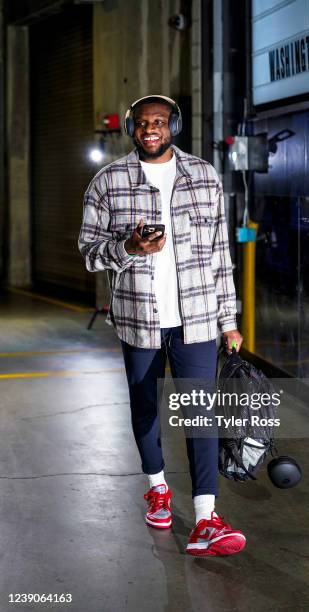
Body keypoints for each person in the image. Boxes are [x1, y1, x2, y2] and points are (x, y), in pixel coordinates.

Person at [78, 94, 245, 556]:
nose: (151, 129)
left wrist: (228, 320)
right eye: (142, 123)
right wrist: (128, 248)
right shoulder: (108, 182)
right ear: (131, 128)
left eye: (160, 121)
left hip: (197, 322)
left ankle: (207, 518)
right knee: (145, 408)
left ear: (174, 125)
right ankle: (157, 487)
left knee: (200, 416)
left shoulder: (203, 177)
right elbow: (90, 253)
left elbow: (219, 256)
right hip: (139, 321)